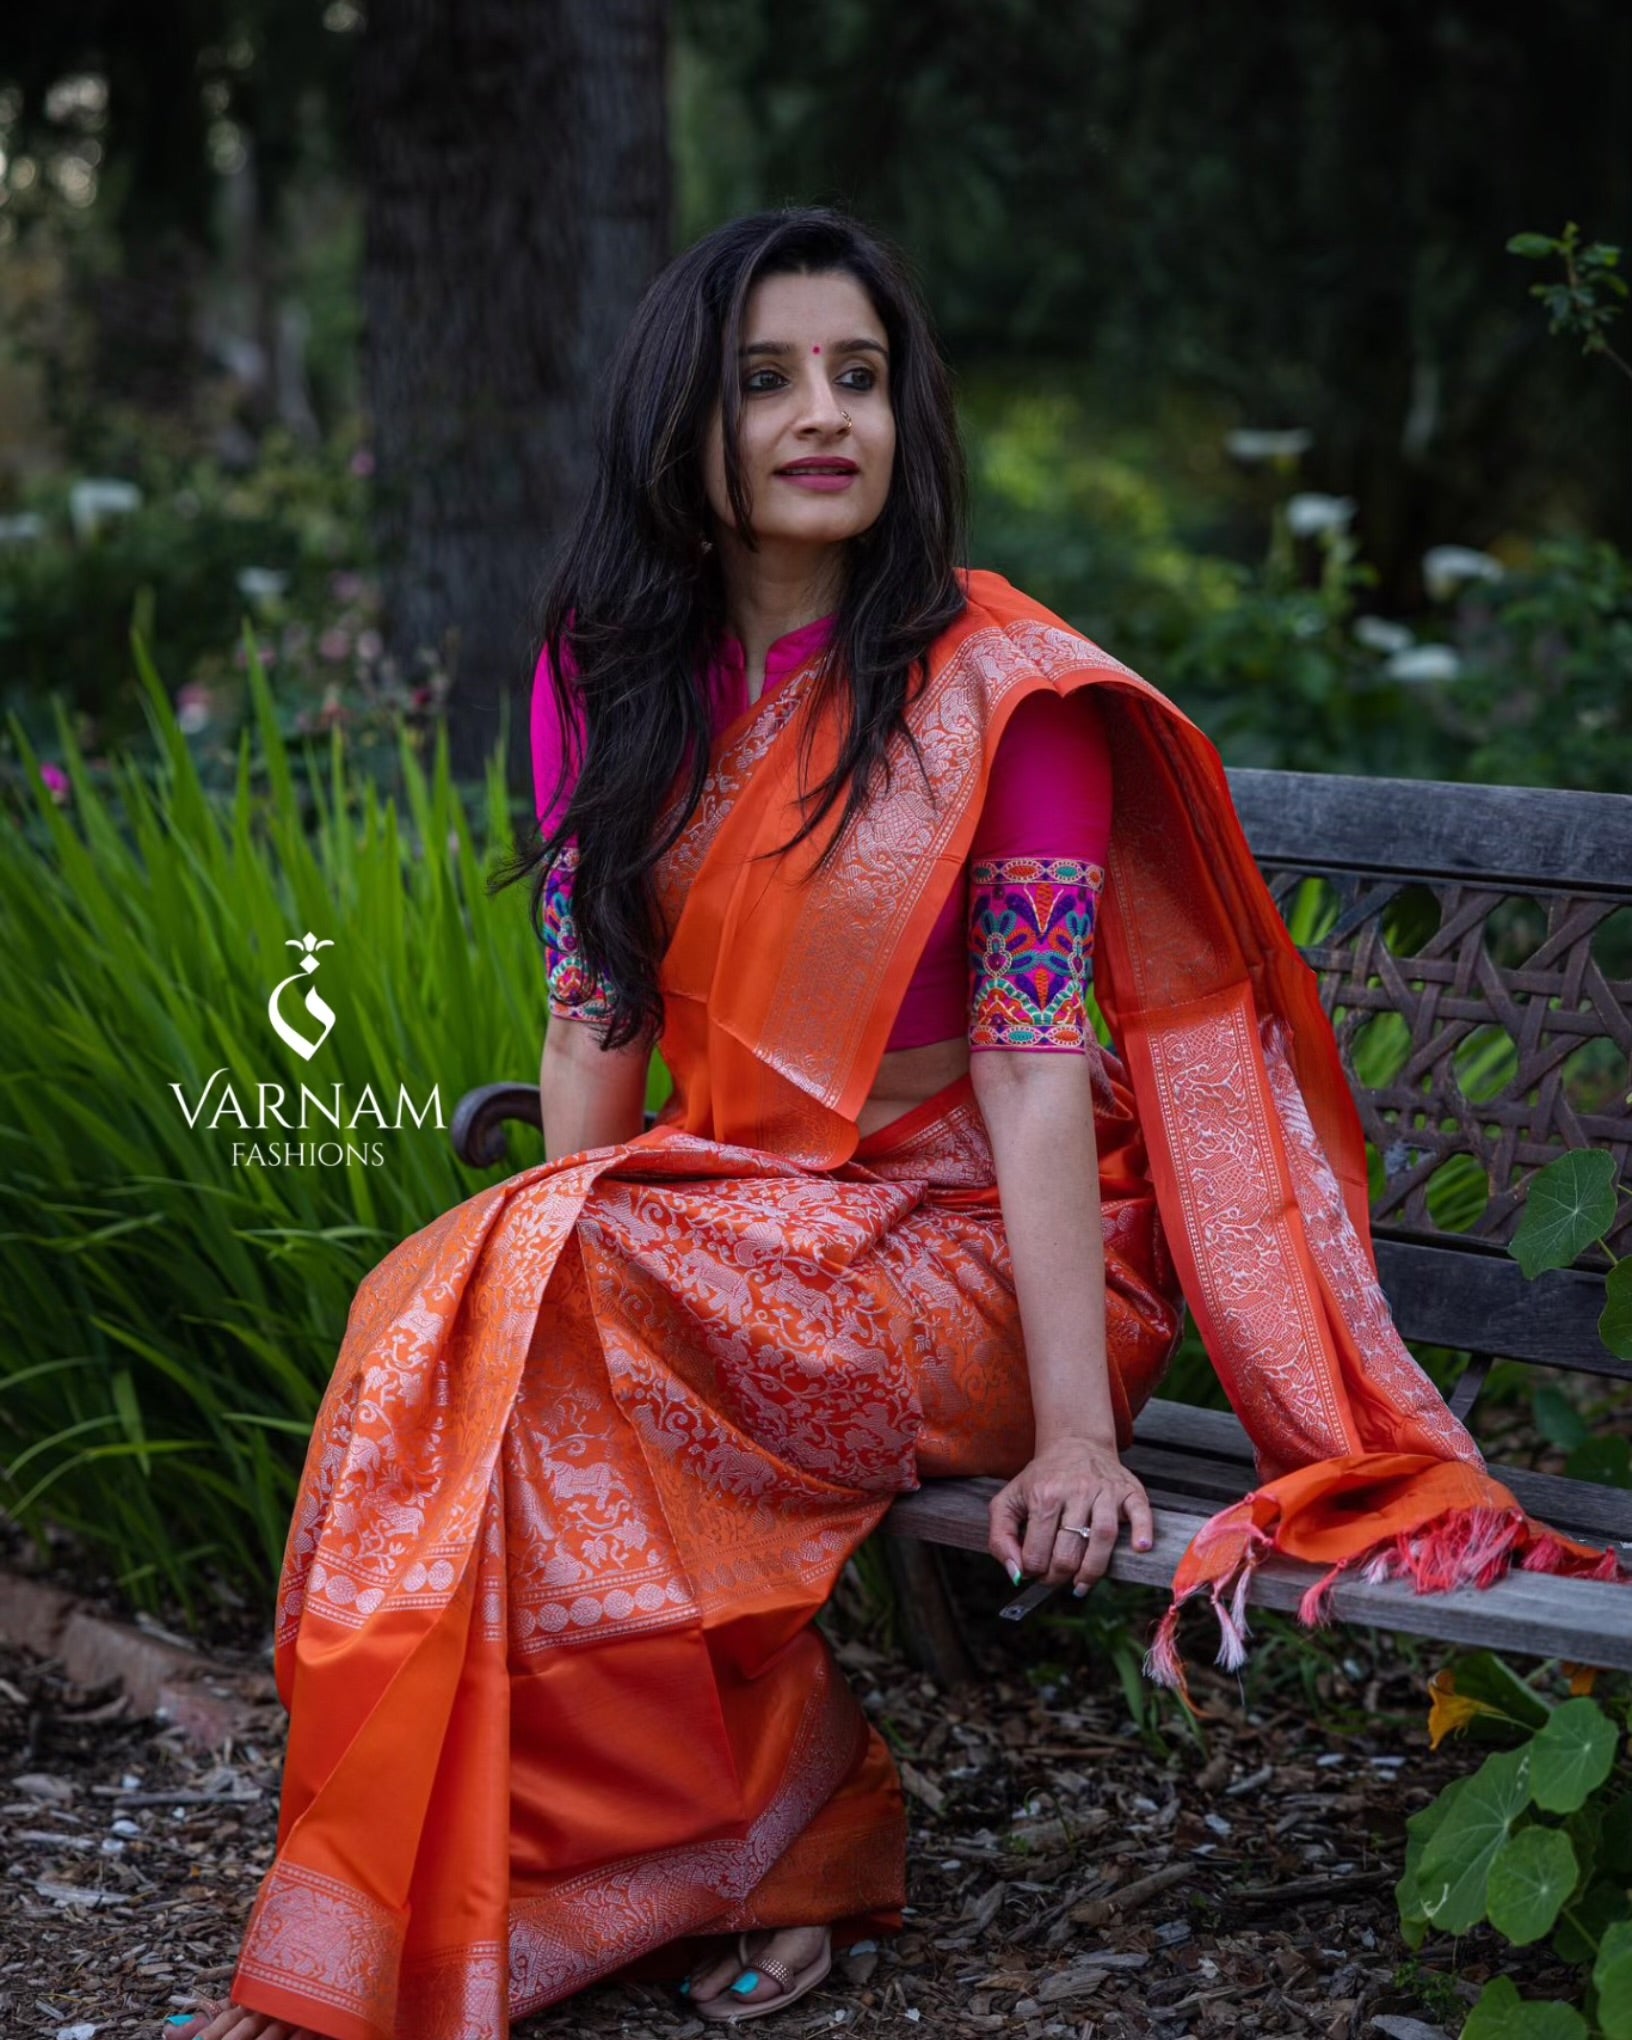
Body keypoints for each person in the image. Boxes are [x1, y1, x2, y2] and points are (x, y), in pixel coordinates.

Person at [160, 207, 1623, 2040]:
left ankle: (649, 1871)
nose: (820, 415)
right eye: (767, 380)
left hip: (982, 1260)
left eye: (856, 375)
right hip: (734, 1227)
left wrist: (1082, 1437)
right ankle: (644, 1858)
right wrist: (522, 1272)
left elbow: (1028, 1070)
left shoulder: (1003, 702)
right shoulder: (601, 673)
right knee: (441, 1330)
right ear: (681, 420)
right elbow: (593, 1011)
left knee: (537, 1294)